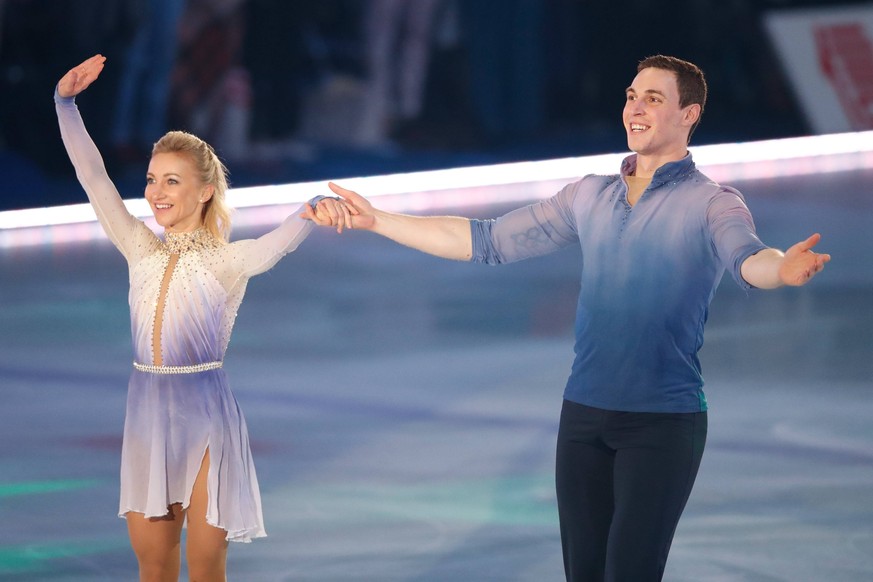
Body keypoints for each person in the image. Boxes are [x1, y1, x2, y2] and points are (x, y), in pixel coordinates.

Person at [303, 55, 830, 581]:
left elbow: (747, 258)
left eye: (653, 98)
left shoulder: (712, 202)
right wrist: (378, 220)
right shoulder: (589, 194)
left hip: (662, 423)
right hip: (583, 418)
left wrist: (783, 269)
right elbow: (486, 240)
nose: (635, 108)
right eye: (630, 95)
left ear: (689, 114)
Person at [55, 54, 347, 581]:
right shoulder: (139, 247)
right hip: (147, 413)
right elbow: (93, 176)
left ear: (204, 190)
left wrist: (313, 206)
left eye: (172, 181)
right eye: (152, 179)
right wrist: (65, 103)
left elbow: (277, 244)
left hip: (207, 415)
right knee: (154, 562)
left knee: (207, 564)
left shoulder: (225, 260)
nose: (156, 193)